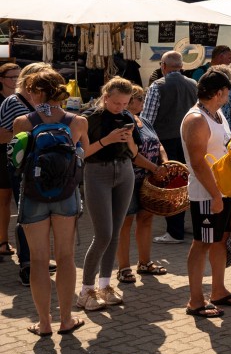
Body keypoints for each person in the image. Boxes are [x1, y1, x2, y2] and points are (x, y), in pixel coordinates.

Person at [14, 70, 90, 335]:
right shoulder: (78, 121)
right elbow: (85, 153)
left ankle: (44, 323)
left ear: (35, 92)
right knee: (66, 257)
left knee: (38, 260)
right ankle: (66, 319)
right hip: (66, 195)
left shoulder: (23, 121)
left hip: (34, 196)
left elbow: (17, 161)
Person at [79, 77, 153, 312]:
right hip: (97, 172)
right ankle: (86, 289)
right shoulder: (90, 118)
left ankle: (105, 285)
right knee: (103, 234)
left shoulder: (128, 117)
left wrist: (129, 139)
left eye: (124, 103)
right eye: (116, 103)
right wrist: (107, 140)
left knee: (115, 233)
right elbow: (83, 153)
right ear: (105, 96)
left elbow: (134, 152)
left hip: (124, 171)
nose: (120, 108)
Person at [181, 69, 231, 319]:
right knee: (202, 243)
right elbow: (197, 163)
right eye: (228, 90)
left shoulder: (216, 114)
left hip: (223, 190)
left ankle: (218, 290)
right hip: (207, 193)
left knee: (219, 240)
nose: (230, 94)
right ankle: (195, 300)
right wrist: (215, 195)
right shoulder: (196, 119)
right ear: (219, 93)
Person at [0, 62, 50, 285]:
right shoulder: (12, 102)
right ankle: (27, 263)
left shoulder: (44, 100)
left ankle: (40, 258)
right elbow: (2, 136)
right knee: (27, 214)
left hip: (45, 164)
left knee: (44, 213)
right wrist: (26, 129)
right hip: (23, 165)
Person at [143, 50, 198, 244]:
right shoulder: (193, 85)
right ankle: (181, 224)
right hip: (190, 140)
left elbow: (147, 119)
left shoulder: (157, 86)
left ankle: (175, 231)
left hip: (165, 142)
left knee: (170, 185)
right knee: (186, 182)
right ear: (181, 66)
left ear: (163, 66)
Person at [115, 85, 167, 283]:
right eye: (140, 100)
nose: (143, 104)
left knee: (146, 220)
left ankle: (144, 262)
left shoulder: (143, 121)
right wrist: (155, 168)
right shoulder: (124, 122)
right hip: (128, 179)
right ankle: (123, 267)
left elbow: (158, 143)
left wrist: (165, 161)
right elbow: (132, 154)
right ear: (130, 101)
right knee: (125, 223)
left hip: (148, 181)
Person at [0, 62, 20, 259]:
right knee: (3, 200)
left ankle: (4, 241)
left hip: (16, 154)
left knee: (12, 200)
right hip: (2, 154)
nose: (15, 81)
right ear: (2, 79)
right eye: (11, 77)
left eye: (18, 77)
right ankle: (3, 241)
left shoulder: (20, 100)